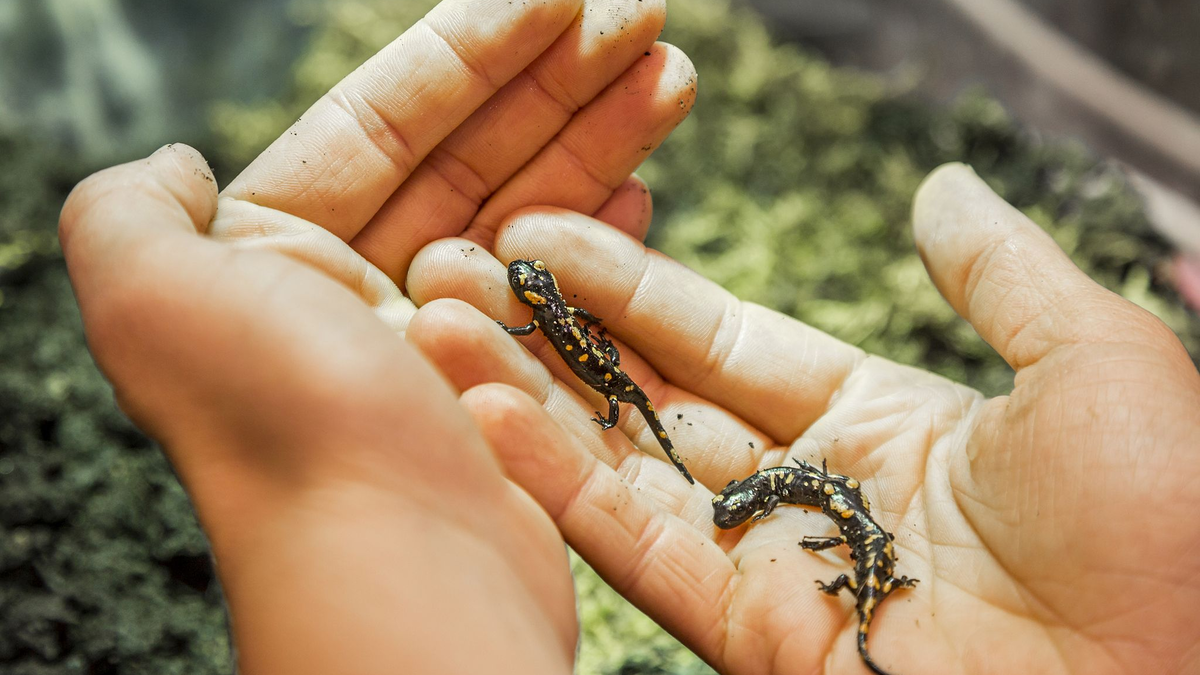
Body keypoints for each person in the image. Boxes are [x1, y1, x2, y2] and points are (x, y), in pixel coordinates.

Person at [58, 0, 1200, 672]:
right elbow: (557, 328)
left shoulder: (556, 323)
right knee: (613, 389)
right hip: (617, 392)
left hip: (638, 408)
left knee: (623, 396)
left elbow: (565, 335)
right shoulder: (551, 318)